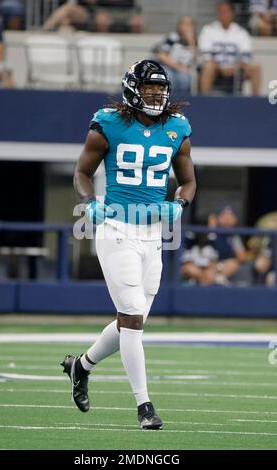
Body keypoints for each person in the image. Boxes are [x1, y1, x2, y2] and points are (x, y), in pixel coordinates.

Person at [61, 59, 196, 430]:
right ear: (133, 90)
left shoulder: (177, 128)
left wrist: (179, 204)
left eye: (161, 89)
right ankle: (145, 406)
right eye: (150, 89)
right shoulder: (108, 123)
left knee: (130, 323)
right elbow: (82, 172)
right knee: (133, 319)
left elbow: (188, 180)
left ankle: (81, 366)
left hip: (155, 235)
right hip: (117, 228)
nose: (156, 95)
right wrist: (90, 203)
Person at [198, 1, 261, 95]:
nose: (224, 15)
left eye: (227, 12)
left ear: (232, 13)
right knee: (208, 67)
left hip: (237, 69)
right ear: (218, 13)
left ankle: (256, 104)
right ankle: (205, 101)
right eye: (221, 12)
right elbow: (205, 55)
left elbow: (246, 56)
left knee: (255, 67)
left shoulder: (241, 32)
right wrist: (220, 68)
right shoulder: (208, 30)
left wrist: (234, 68)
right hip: (215, 69)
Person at [152, 16, 197, 93]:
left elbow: (196, 60)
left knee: (185, 79)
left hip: (182, 69)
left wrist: (191, 42)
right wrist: (178, 67)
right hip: (165, 66)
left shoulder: (195, 41)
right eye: (184, 24)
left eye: (190, 24)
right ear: (179, 26)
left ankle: (180, 102)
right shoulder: (172, 37)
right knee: (169, 77)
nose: (187, 27)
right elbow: (161, 55)